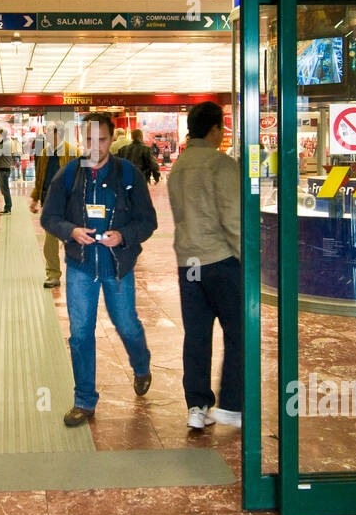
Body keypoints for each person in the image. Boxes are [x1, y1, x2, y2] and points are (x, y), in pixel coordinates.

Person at [41, 111, 157, 427]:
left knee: (127, 324)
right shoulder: (68, 174)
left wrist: (124, 236)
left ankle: (141, 363)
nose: (95, 146)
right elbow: (48, 217)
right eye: (89, 139)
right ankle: (84, 401)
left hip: (117, 266)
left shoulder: (129, 174)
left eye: (102, 139)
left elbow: (148, 221)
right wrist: (70, 230)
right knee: (80, 334)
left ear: (112, 137)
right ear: (81, 138)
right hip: (80, 266)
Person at [166, 101, 242, 429]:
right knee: (239, 332)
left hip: (189, 263)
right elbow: (233, 217)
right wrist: (248, 257)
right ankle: (231, 404)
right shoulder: (220, 164)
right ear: (214, 130)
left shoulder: (178, 166)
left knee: (196, 334)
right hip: (220, 261)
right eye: (221, 128)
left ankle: (196, 407)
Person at [29, 122, 76, 289]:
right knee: (50, 243)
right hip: (50, 204)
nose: (47, 135)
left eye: (49, 132)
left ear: (59, 134)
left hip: (68, 205)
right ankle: (53, 275)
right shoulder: (44, 153)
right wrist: (35, 198)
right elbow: (40, 177)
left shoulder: (73, 152)